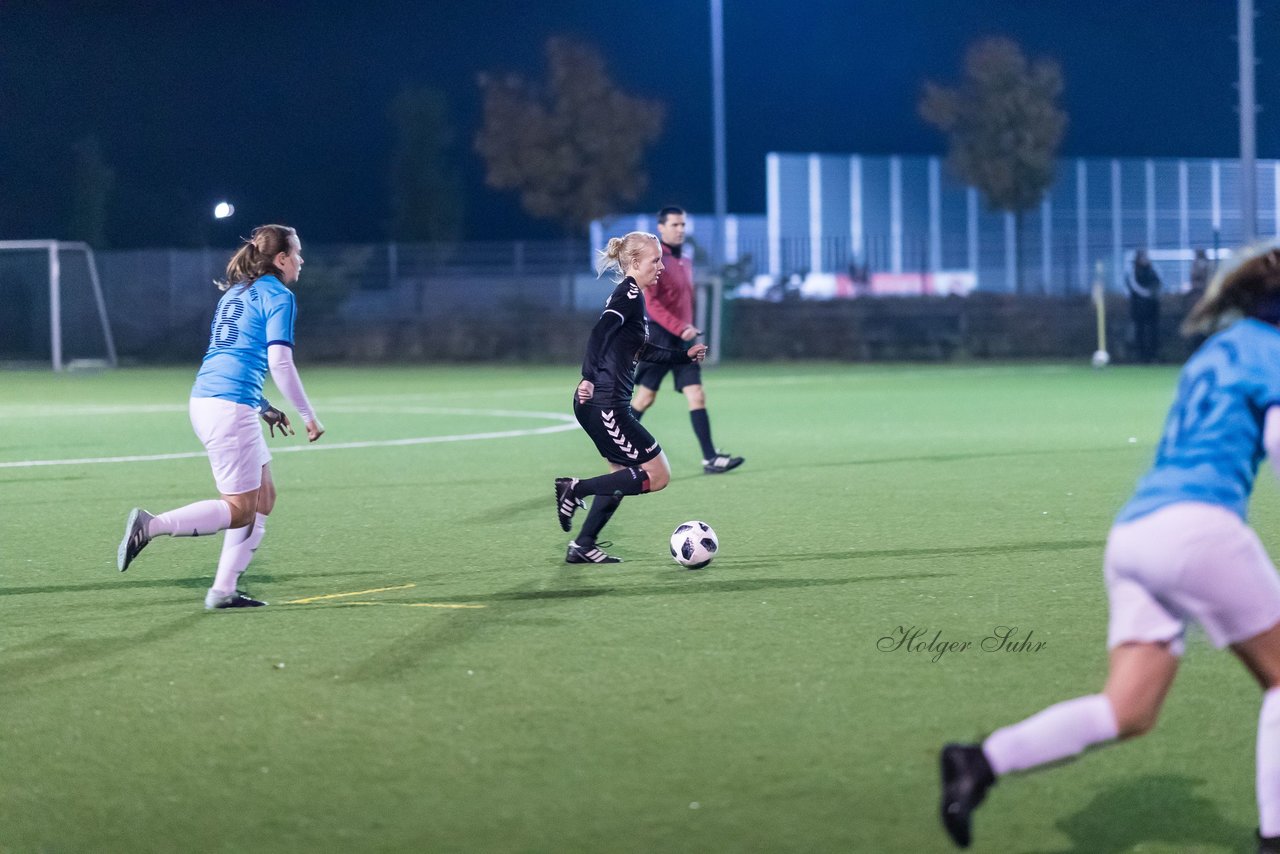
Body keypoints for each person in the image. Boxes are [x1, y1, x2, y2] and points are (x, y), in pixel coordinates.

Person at [939, 240, 1280, 852]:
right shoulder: (1275, 355)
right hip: (1200, 530)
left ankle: (980, 761)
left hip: (1135, 534)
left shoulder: (1217, 351)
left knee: (1127, 710)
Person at [116, 224, 324, 609]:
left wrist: (262, 406)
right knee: (240, 510)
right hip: (228, 408)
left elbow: (232, 355)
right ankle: (151, 525)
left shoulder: (236, 294)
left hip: (211, 400)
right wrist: (308, 415)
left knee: (264, 498)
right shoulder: (278, 295)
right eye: (296, 253)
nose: (301, 260)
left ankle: (223, 591)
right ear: (280, 260)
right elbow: (279, 360)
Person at [555, 231, 708, 564]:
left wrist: (684, 356)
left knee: (620, 476)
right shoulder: (628, 294)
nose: (661, 267)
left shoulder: (633, 295)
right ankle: (574, 489)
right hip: (606, 404)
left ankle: (582, 545)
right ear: (636, 262)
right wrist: (589, 378)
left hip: (604, 403)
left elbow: (642, 349)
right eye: (655, 261)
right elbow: (600, 333)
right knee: (658, 475)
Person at [631, 206, 743, 475]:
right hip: (660, 337)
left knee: (697, 394)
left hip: (683, 340)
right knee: (645, 398)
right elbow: (652, 303)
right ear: (661, 227)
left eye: (683, 225)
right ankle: (619, 448)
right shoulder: (655, 259)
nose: (680, 229)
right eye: (675, 225)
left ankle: (710, 458)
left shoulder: (686, 260)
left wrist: (687, 329)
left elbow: (683, 302)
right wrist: (679, 327)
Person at [1126, 248, 1163, 362]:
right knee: (1139, 331)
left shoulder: (1153, 270)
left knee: (1152, 331)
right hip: (1138, 307)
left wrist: (1151, 294)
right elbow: (1133, 286)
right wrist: (1146, 294)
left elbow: (1158, 283)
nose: (1145, 259)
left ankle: (1153, 355)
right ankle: (1140, 356)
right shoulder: (1133, 271)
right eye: (1142, 257)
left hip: (1152, 307)